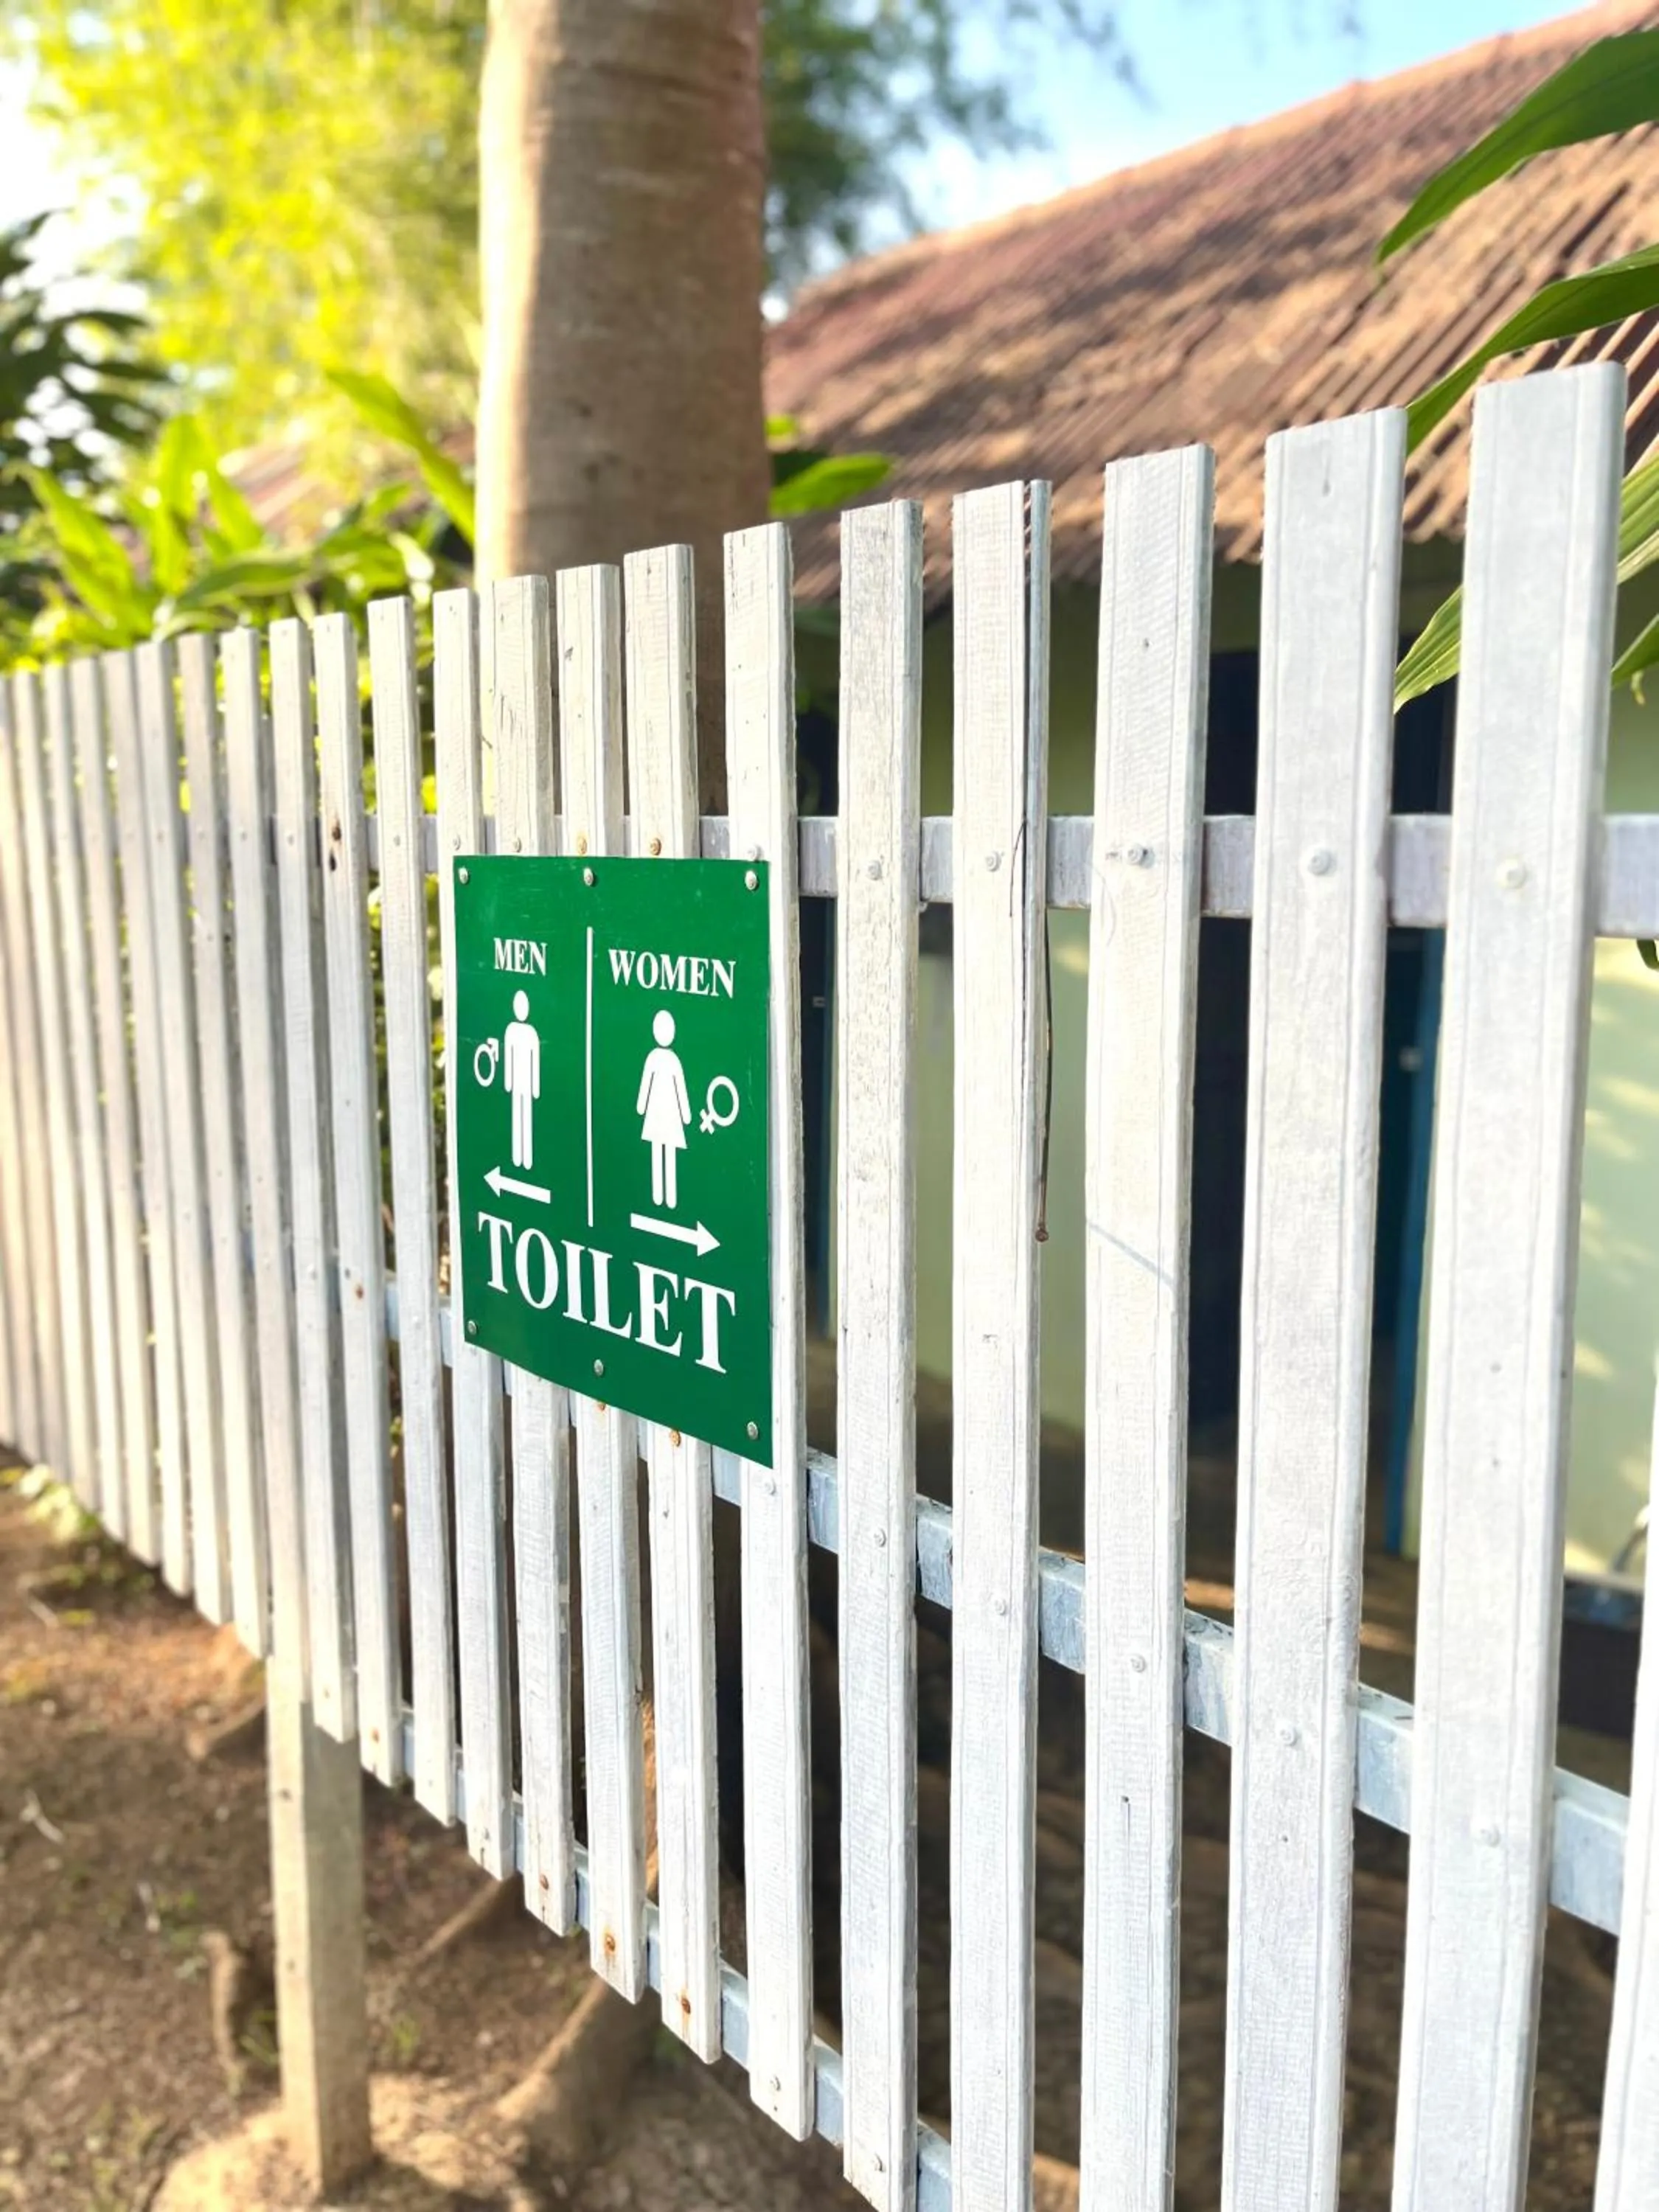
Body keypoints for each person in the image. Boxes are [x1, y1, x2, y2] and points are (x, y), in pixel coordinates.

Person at [636, 1008, 691, 1208]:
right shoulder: (663, 1059)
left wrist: (641, 1107)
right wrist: (686, 1116)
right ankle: (661, 1197)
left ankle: (665, 1197)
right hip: (661, 1114)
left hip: (664, 1115)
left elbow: (680, 1088)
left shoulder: (662, 1059)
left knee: (664, 1153)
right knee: (662, 1153)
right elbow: (647, 1084)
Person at [503, 990, 540, 1169]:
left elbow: (535, 1059)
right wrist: (508, 1082)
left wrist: (536, 1088)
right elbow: (508, 1056)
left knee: (526, 1116)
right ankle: (518, 1158)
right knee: (517, 1115)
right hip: (518, 1083)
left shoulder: (531, 1033)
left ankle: (527, 1159)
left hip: (526, 1083)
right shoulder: (511, 1030)